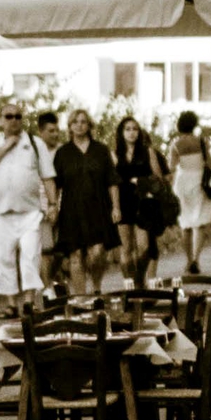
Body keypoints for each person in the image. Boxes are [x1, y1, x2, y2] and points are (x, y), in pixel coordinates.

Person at [0, 100, 57, 317]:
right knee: (2, 259)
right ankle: (11, 304)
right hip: (1, 213)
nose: (14, 120)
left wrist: (52, 204)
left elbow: (48, 176)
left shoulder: (34, 143)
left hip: (30, 212)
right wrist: (6, 146)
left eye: (18, 116)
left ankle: (29, 302)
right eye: (9, 116)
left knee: (30, 256)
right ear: (1, 121)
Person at [50, 109, 121, 296]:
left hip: (98, 207)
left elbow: (112, 181)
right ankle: (81, 298)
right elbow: (56, 185)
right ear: (70, 126)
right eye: (75, 122)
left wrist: (116, 207)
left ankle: (96, 287)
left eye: (83, 122)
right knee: (75, 255)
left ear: (89, 125)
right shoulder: (63, 153)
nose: (79, 125)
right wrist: (53, 207)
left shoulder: (100, 150)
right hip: (72, 210)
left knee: (97, 253)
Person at [111, 114, 168, 291]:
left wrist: (143, 181)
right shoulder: (115, 155)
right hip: (124, 201)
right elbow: (112, 182)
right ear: (121, 133)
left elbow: (159, 178)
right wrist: (115, 206)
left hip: (144, 202)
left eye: (135, 129)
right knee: (126, 247)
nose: (131, 133)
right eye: (127, 129)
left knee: (144, 247)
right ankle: (129, 283)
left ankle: (139, 278)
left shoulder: (147, 152)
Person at [168, 108, 211, 274]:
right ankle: (196, 258)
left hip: (182, 183)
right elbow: (210, 163)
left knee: (185, 224)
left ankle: (188, 260)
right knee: (200, 223)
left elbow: (171, 167)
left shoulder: (176, 144)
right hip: (199, 182)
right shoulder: (201, 142)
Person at [33, 111, 67, 289]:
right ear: (41, 131)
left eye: (57, 130)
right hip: (42, 209)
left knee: (60, 252)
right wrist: (46, 208)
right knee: (46, 251)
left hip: (64, 207)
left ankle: (53, 279)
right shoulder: (34, 153)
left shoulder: (63, 151)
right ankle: (48, 290)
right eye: (50, 130)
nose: (55, 134)